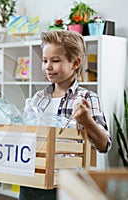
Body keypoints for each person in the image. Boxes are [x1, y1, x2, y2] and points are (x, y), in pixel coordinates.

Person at [19, 30, 111, 200]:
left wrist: (87, 122)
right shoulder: (37, 99)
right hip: (32, 180)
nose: (48, 66)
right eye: (45, 60)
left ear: (75, 63)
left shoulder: (87, 99)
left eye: (55, 61)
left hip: (66, 185)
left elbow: (104, 145)